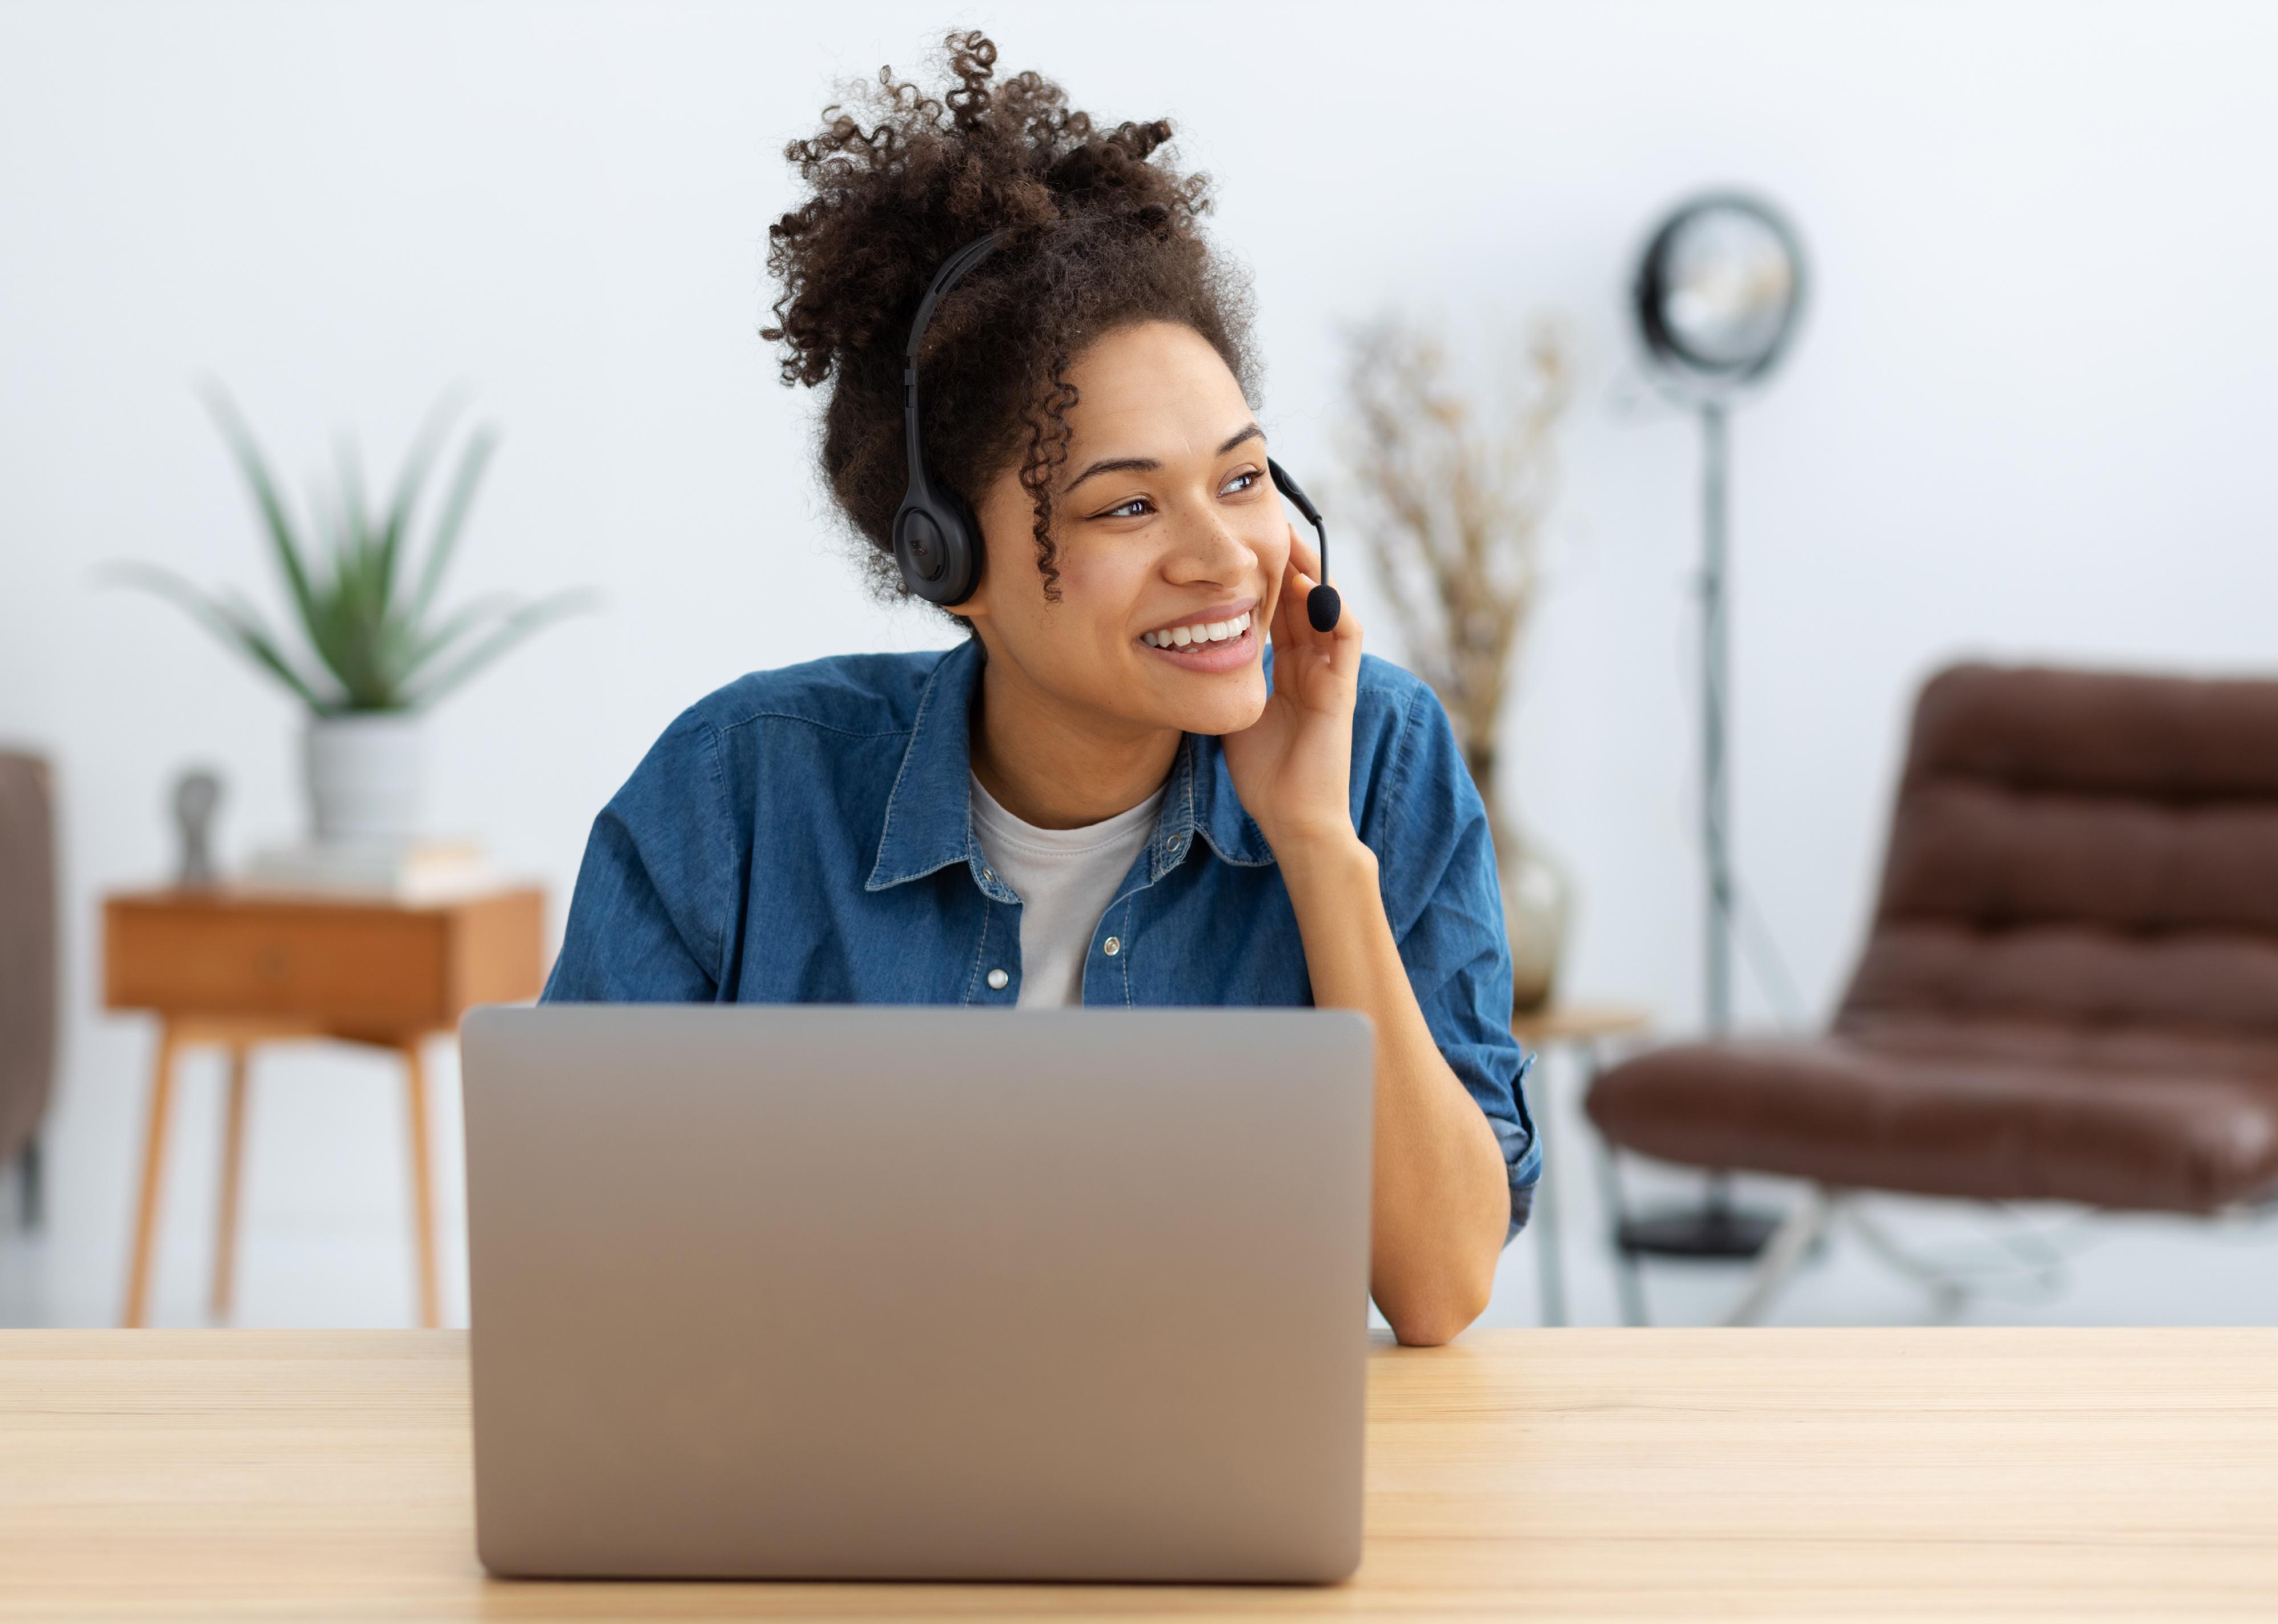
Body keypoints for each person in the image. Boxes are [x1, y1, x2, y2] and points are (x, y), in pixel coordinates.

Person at [546, 32, 1536, 1346]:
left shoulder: (1376, 755)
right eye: (1127, 503)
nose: (1221, 558)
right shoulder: (740, 791)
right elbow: (578, 1260)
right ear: (947, 564)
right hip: (820, 1498)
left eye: (1241, 480)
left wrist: (1313, 843)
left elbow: (1439, 1286)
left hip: (1207, 1501)